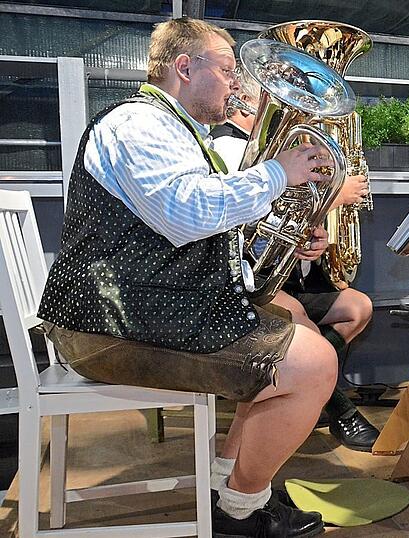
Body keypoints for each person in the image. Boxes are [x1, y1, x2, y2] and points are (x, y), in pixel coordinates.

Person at [37, 18, 334, 537]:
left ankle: (229, 488)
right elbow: (187, 214)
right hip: (106, 327)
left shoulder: (176, 130)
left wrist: (293, 235)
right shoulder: (138, 124)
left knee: (295, 322)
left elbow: (202, 225)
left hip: (140, 309)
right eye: (227, 69)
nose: (238, 85)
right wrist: (277, 173)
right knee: (314, 366)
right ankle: (240, 513)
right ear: (184, 67)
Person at [212, 74, 380, 452]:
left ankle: (318, 394)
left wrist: (313, 236)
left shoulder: (275, 151)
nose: (292, 112)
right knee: (301, 325)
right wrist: (335, 199)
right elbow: (242, 216)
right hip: (245, 282)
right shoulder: (225, 146)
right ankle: (342, 411)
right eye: (280, 102)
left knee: (358, 307)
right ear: (245, 102)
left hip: (283, 276)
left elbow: (288, 213)